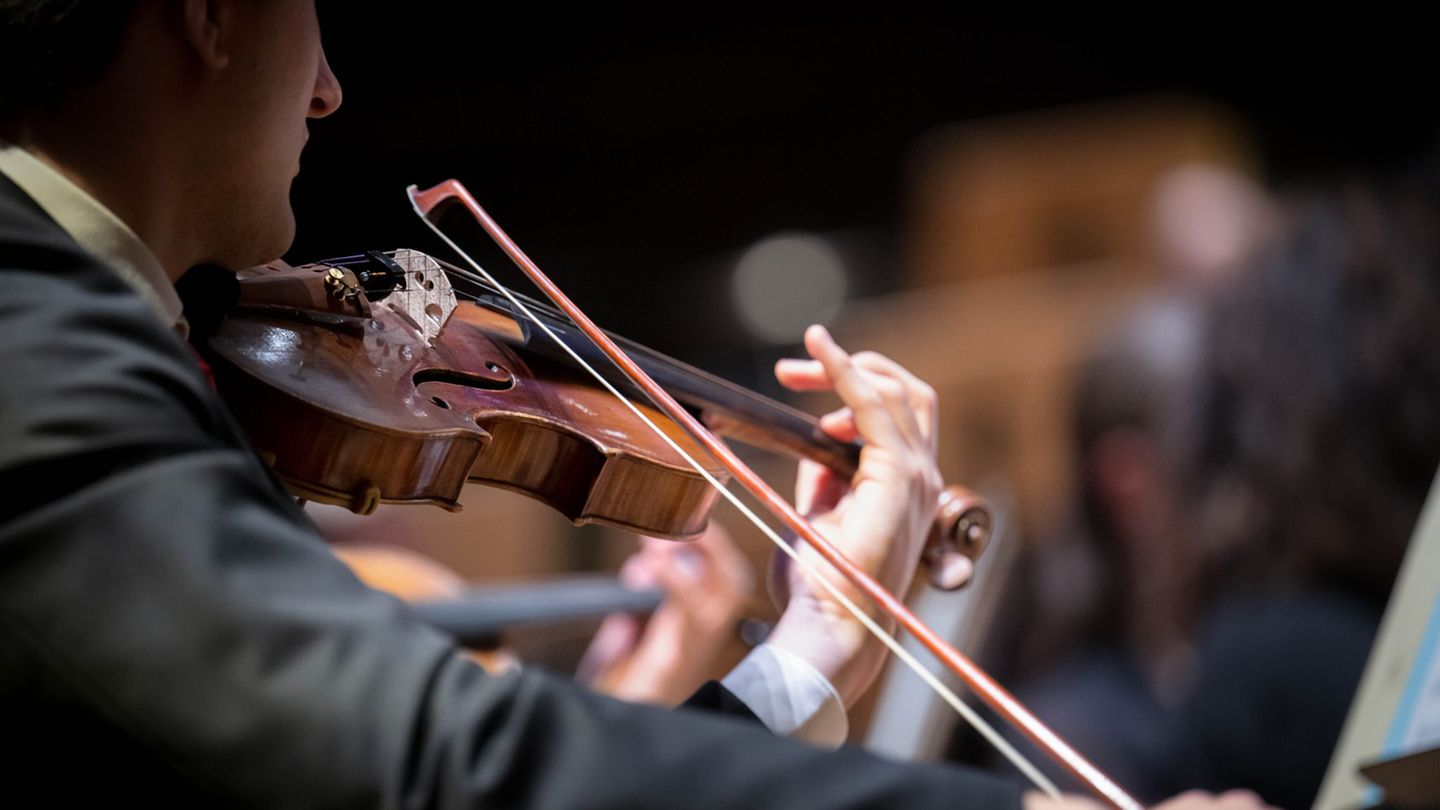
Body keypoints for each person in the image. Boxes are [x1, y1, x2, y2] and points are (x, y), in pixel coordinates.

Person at [0, 2, 1268, 808]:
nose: (327, 86)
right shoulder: (33, 350)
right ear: (209, 15)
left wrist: (811, 652)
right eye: (310, 12)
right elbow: (436, 762)